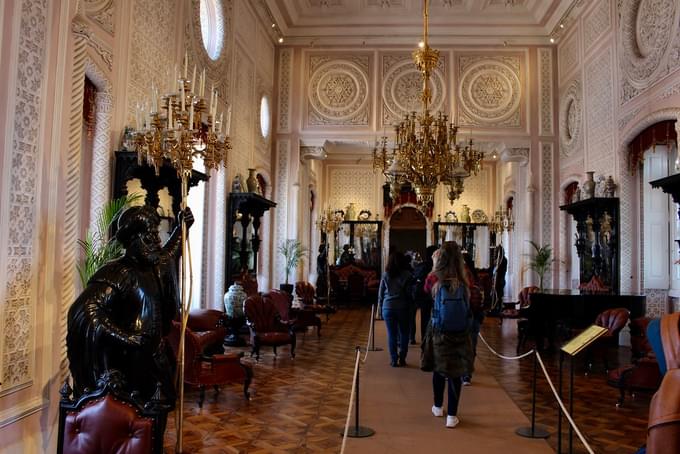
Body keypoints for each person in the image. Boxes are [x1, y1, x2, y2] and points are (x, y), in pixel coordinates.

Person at [67, 205, 193, 406]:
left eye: (157, 234)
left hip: (156, 358)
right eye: (151, 236)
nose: (157, 241)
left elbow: (171, 251)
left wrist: (182, 227)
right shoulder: (119, 271)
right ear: (134, 239)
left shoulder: (155, 265)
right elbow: (86, 310)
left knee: (159, 414)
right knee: (132, 416)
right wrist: (127, 338)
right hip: (130, 363)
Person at [423, 241, 474, 428]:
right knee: (456, 373)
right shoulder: (465, 277)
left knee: (439, 368)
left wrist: (434, 265)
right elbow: (471, 300)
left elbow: (426, 291)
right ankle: (452, 416)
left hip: (439, 330)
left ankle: (438, 406)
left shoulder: (434, 278)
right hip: (461, 332)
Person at [378, 251, 414, 367]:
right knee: (404, 333)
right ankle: (402, 358)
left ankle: (394, 359)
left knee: (391, 334)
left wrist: (379, 309)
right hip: (402, 306)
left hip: (388, 307)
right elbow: (409, 294)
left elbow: (381, 294)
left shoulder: (385, 275)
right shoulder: (407, 275)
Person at [462, 252, 485, 386]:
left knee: (461, 344)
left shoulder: (460, 274)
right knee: (472, 345)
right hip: (475, 313)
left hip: (464, 314)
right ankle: (467, 374)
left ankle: (463, 372)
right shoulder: (476, 276)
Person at [412, 246, 437, 343]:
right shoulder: (438, 267)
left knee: (425, 318)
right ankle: (432, 339)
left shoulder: (421, 266)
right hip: (435, 295)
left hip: (424, 295)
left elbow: (415, 278)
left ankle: (424, 339)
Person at [490, 244, 507, 314]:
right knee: (494, 294)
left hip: (500, 280)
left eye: (496, 251)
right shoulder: (496, 260)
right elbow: (493, 269)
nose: (495, 253)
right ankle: (494, 308)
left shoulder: (503, 259)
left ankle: (499, 309)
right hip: (495, 279)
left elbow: (500, 270)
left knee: (499, 295)